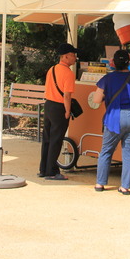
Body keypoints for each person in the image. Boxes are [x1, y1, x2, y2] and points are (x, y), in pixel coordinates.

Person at [93, 49, 130, 194]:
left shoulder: (107, 79)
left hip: (114, 118)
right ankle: (125, 186)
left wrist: (106, 99)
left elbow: (95, 100)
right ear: (128, 63)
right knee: (129, 154)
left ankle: (100, 184)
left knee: (106, 152)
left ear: (113, 63)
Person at [39, 43, 79, 180]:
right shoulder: (68, 73)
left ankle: (43, 169)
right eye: (73, 55)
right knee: (56, 139)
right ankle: (51, 171)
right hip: (59, 107)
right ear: (65, 57)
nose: (75, 58)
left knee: (47, 138)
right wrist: (68, 111)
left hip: (49, 104)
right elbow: (67, 96)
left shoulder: (52, 69)